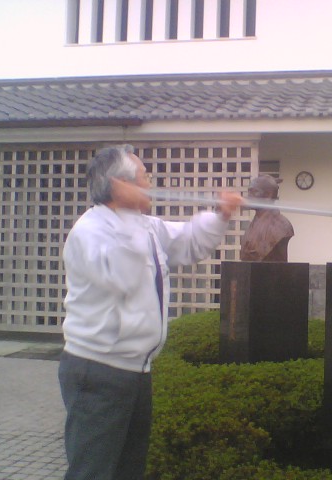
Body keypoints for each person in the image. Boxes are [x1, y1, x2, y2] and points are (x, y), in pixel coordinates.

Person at [58, 144, 242, 480]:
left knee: (129, 470)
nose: (150, 184)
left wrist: (221, 214)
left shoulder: (144, 226)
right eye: (144, 177)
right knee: (93, 472)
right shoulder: (91, 231)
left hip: (136, 370)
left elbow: (188, 241)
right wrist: (129, 212)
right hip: (98, 371)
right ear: (120, 185)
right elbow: (120, 276)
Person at [239, 174, 294, 262]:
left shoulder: (281, 225)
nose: (249, 196)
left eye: (254, 192)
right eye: (249, 192)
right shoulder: (254, 223)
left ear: (268, 195)